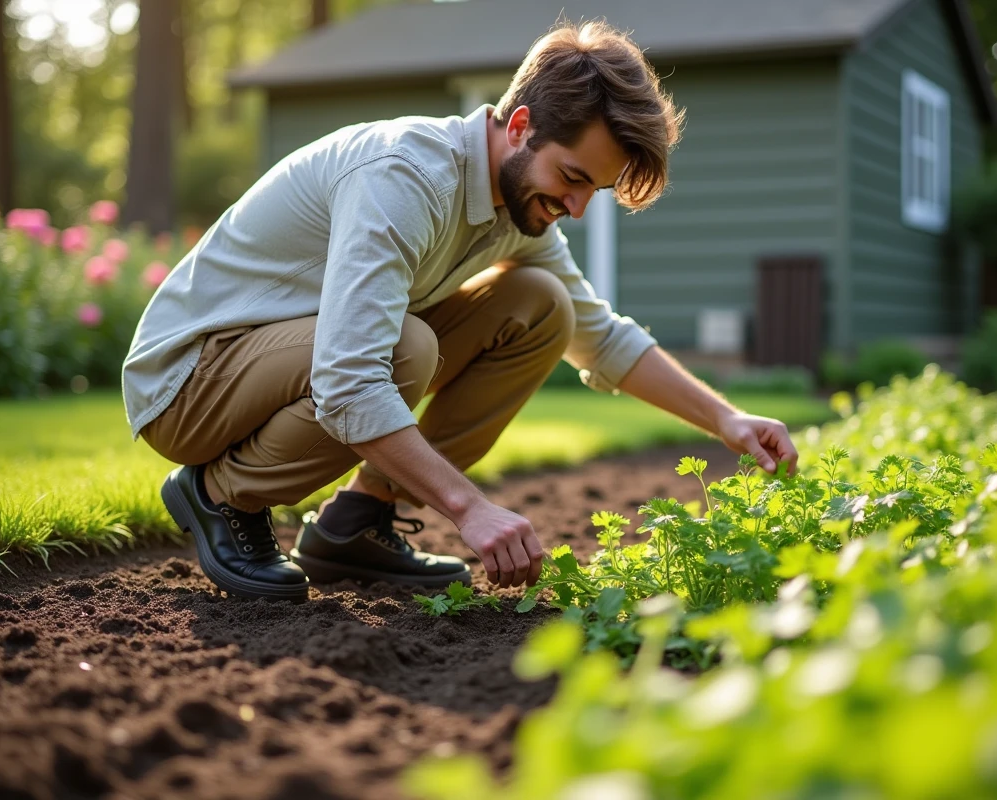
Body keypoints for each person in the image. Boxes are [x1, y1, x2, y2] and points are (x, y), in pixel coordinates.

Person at [121, 19, 799, 602]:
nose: (578, 208)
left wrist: (726, 418)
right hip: (189, 382)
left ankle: (358, 521)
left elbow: (600, 338)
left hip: (272, 363)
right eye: (571, 178)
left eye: (595, 189)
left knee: (544, 307)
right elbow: (350, 380)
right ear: (522, 126)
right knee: (403, 348)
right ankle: (221, 495)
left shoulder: (517, 210)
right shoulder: (404, 178)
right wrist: (468, 509)